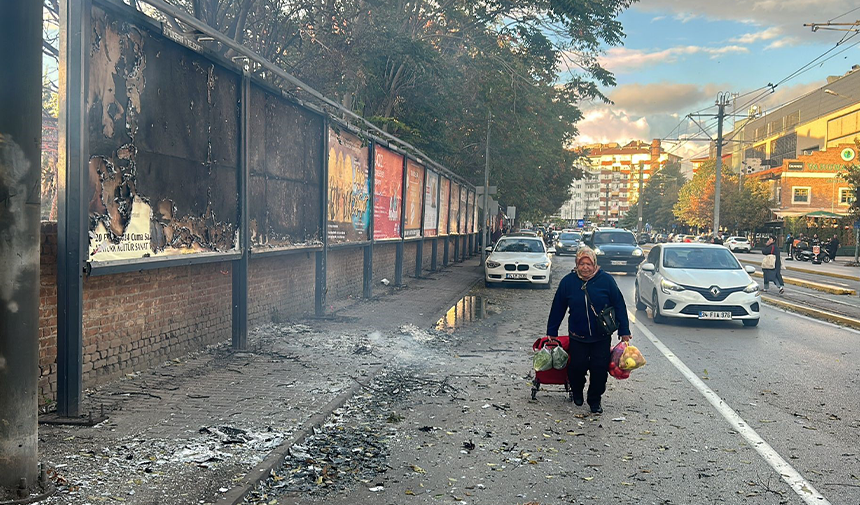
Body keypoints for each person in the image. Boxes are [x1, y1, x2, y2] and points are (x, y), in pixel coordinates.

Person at [545, 247, 631, 414]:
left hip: (601, 336)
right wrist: (552, 330)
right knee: (577, 367)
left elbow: (619, 304)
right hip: (578, 335)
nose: (585, 267)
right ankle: (577, 391)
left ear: (595, 264)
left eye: (588, 264)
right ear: (577, 264)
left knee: (599, 369)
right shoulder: (568, 282)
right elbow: (558, 307)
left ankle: (595, 400)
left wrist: (624, 329)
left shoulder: (606, 281)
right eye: (581, 263)